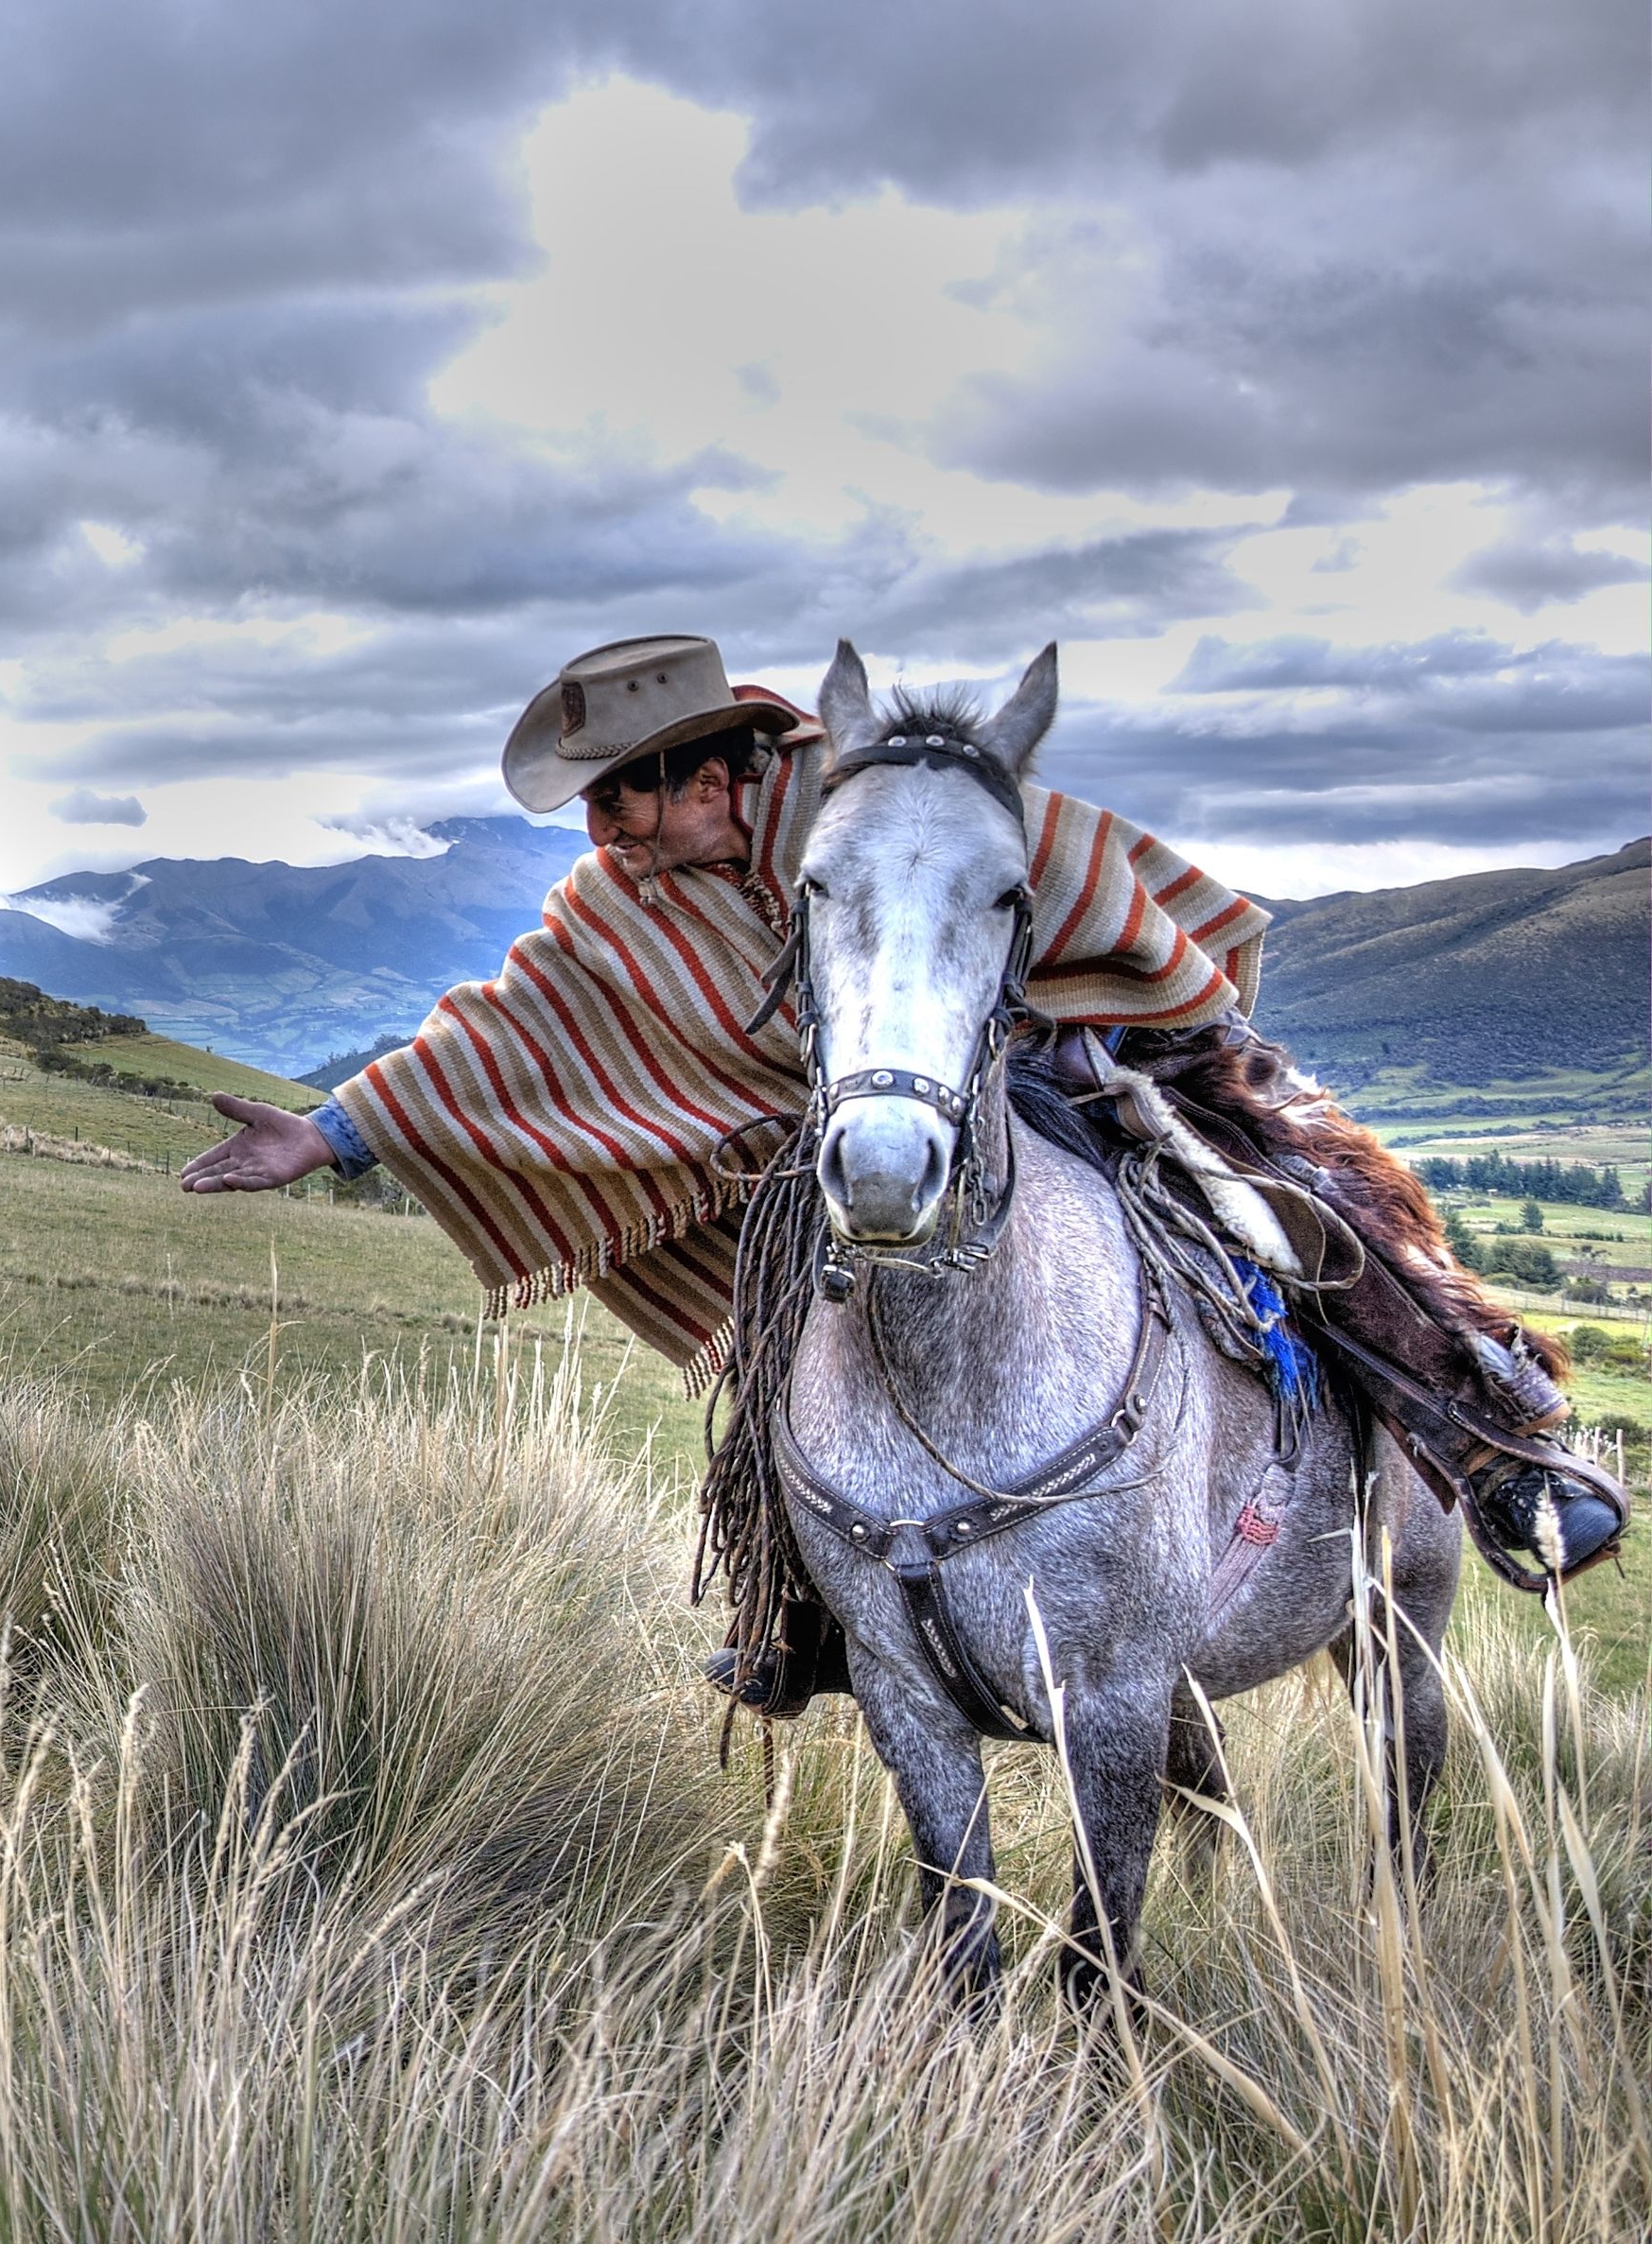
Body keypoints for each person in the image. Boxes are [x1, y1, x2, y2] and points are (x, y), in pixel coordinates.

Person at [182, 633, 1624, 1712]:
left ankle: (1498, 1441)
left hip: (1074, 1049)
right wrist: (330, 1132)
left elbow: (1085, 881)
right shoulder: (629, 901)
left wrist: (1108, 1038)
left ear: (717, 769)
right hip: (867, 1122)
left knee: (1293, 1207)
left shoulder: (895, 799)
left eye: (621, 795)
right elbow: (515, 1025)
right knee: (783, 1335)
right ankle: (805, 1609)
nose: (600, 828)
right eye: (593, 805)